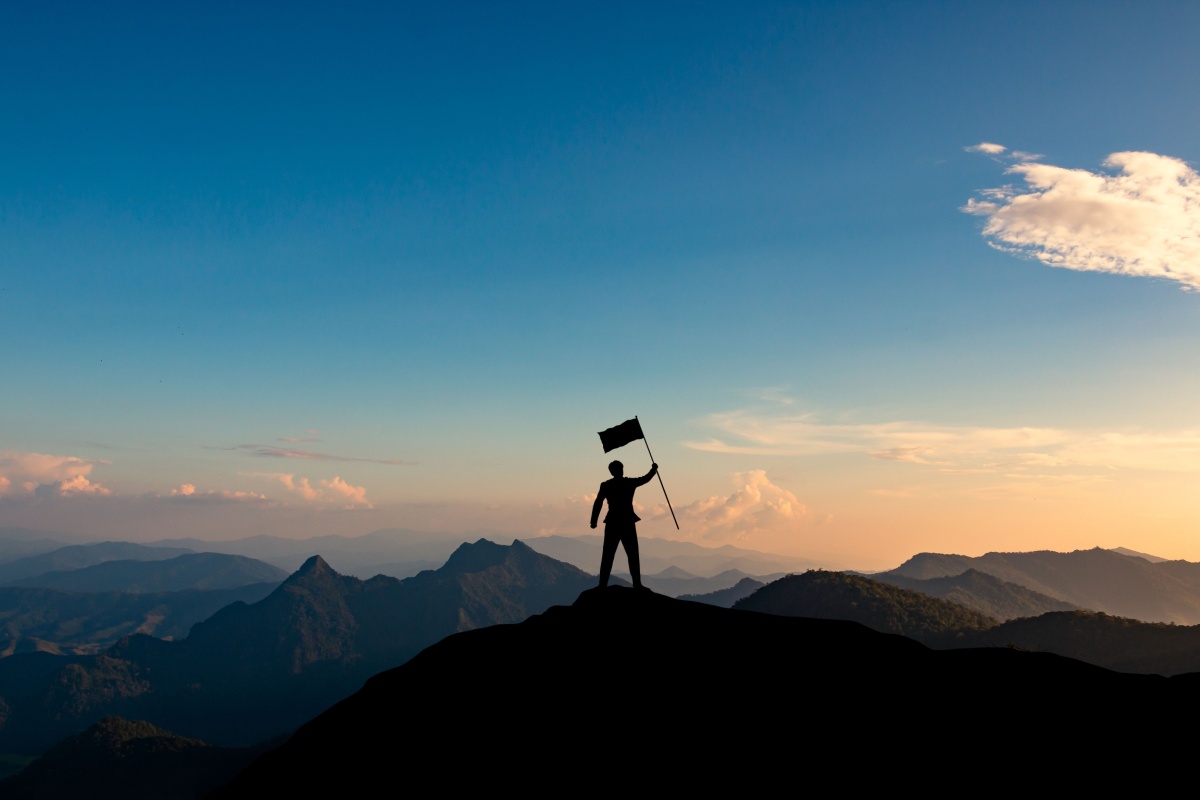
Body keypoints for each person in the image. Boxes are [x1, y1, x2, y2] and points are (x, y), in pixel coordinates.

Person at [590, 460, 657, 589]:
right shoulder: (628, 483)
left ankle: (602, 584)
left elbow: (598, 503)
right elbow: (645, 479)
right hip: (627, 522)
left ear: (611, 471)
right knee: (632, 554)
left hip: (613, 522)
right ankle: (637, 584)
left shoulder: (606, 485)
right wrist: (653, 470)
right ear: (621, 469)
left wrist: (594, 521)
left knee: (608, 554)